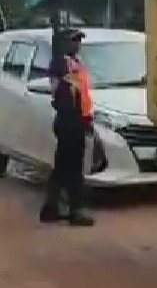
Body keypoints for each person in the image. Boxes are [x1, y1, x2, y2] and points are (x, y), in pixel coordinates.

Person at [39, 28, 95, 227]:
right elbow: (60, 92)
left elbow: (84, 95)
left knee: (62, 166)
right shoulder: (61, 64)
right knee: (73, 167)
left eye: (79, 40)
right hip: (68, 121)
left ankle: (51, 208)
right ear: (63, 43)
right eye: (73, 40)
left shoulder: (77, 63)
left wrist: (87, 120)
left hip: (78, 120)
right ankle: (75, 211)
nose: (77, 44)